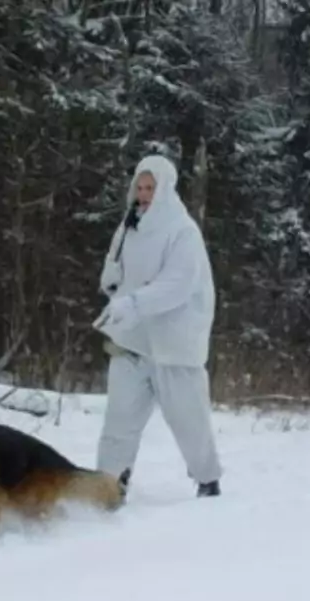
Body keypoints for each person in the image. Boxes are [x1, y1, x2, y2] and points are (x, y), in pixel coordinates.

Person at [92, 154, 224, 498]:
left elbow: (177, 285)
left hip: (173, 345)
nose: (144, 193)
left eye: (151, 187)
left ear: (165, 189)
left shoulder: (182, 232)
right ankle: (109, 483)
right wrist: (112, 279)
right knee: (119, 420)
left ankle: (207, 480)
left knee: (188, 422)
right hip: (132, 341)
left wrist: (133, 304)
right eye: (140, 186)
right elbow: (117, 262)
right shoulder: (129, 225)